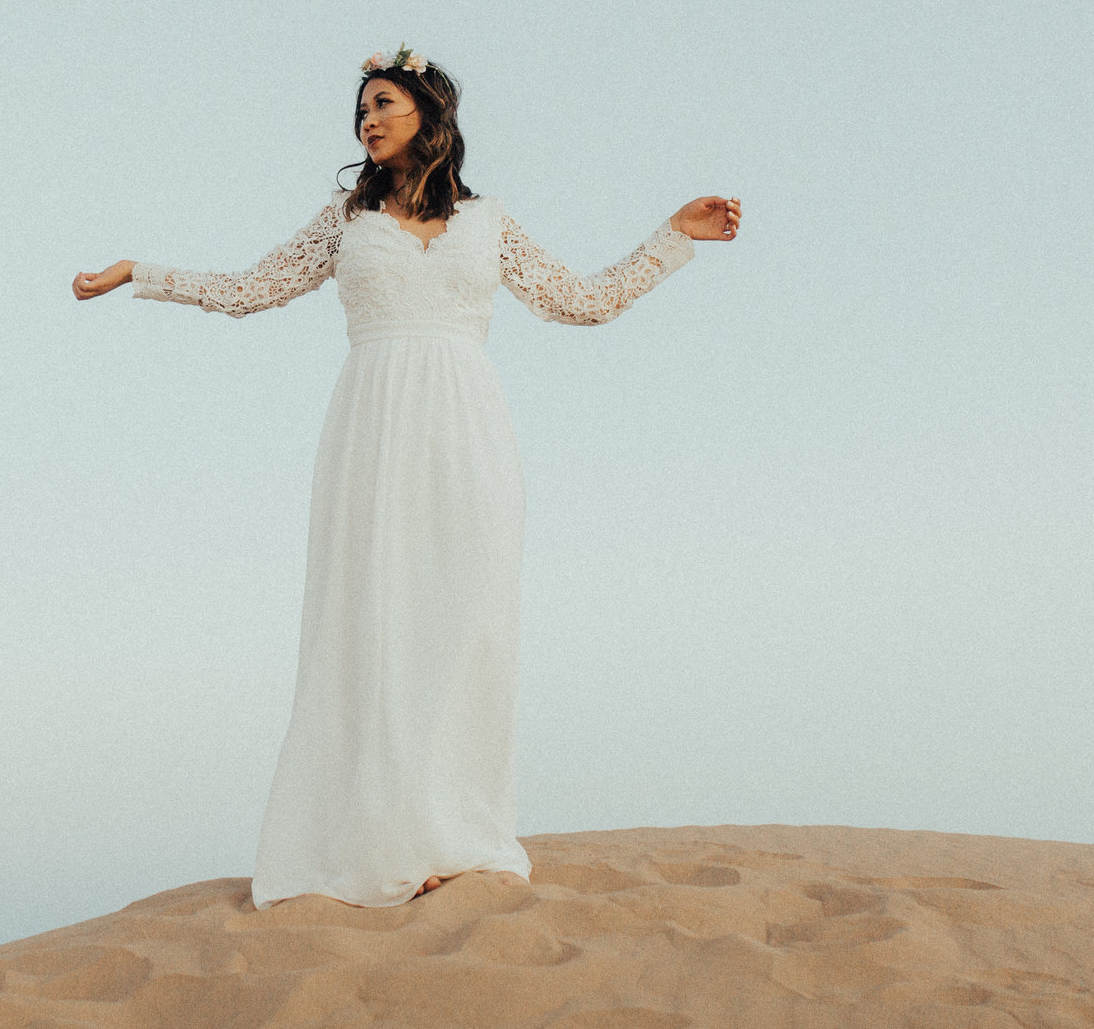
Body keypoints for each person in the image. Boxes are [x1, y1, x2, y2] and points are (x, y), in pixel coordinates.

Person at [72, 48, 739, 909]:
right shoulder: (341, 223)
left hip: (469, 432)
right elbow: (252, 288)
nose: (369, 121)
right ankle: (387, 841)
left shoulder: (489, 220)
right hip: (373, 433)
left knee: (470, 628)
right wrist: (141, 272)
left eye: (383, 103)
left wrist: (673, 236)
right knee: (378, 631)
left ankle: (455, 834)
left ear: (430, 111)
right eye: (360, 113)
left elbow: (583, 300)